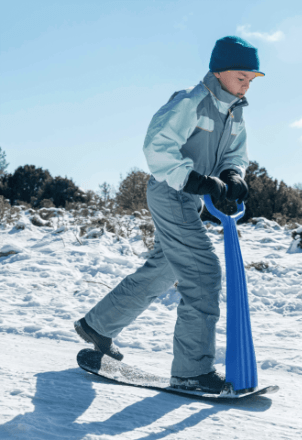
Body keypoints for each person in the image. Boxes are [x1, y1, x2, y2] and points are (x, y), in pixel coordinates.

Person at [74, 36, 264, 394]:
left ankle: (98, 325)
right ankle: (191, 372)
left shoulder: (235, 111)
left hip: (189, 197)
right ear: (219, 71)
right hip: (170, 190)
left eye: (252, 80)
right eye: (242, 77)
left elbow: (235, 154)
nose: (246, 85)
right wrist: (193, 178)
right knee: (203, 272)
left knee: (167, 266)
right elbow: (157, 144)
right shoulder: (192, 101)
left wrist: (232, 175)